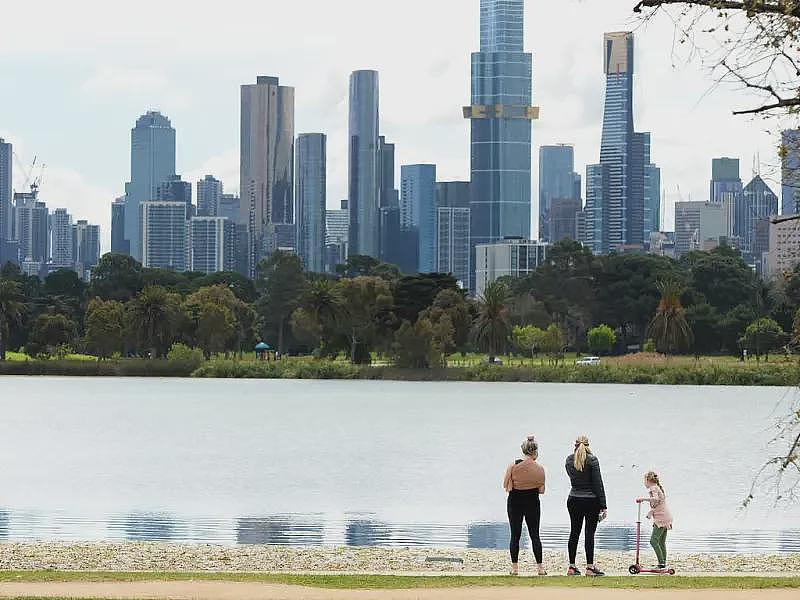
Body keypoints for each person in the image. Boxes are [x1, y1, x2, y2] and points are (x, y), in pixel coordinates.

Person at [502, 435, 547, 576]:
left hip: (515, 501)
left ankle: (515, 568)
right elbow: (542, 490)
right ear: (535, 451)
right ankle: (540, 568)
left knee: (515, 535)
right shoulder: (540, 468)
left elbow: (505, 485)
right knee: (535, 535)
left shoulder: (513, 465)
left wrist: (514, 484)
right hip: (532, 501)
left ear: (523, 450)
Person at [565, 435, 607, 577]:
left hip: (574, 499)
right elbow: (598, 484)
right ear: (588, 445)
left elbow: (572, 478)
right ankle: (589, 568)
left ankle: (572, 566)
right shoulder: (593, 460)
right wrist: (603, 505)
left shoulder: (569, 460)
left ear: (575, 445)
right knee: (589, 533)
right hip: (591, 501)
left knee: (574, 532)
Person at [636, 471, 673, 569]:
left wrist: (643, 499)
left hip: (661, 519)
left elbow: (655, 499)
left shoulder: (653, 488)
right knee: (661, 542)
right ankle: (663, 563)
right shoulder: (657, 487)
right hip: (666, 517)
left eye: (644, 481)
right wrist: (651, 512)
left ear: (648, 481)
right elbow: (658, 503)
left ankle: (661, 564)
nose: (644, 483)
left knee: (653, 541)